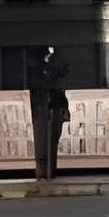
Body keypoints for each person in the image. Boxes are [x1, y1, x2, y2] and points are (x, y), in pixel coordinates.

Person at [28, 46, 72, 182]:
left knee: (48, 142)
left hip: (51, 107)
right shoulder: (45, 75)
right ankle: (46, 172)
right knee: (47, 142)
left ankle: (47, 172)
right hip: (48, 108)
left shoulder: (48, 75)